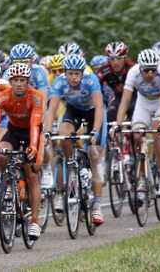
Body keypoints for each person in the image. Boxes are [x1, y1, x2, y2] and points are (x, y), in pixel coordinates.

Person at [43, 54, 107, 226]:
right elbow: (53, 108)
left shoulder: (91, 80)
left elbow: (100, 106)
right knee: (63, 134)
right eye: (70, 73)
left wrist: (94, 131)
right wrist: (48, 131)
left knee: (94, 157)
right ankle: (72, 163)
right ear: (65, 73)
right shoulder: (59, 82)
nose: (73, 77)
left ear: (82, 73)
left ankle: (97, 207)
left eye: (76, 74)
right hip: (74, 110)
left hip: (94, 112)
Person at [113, 49, 160, 199]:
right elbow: (125, 101)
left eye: (154, 70)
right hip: (144, 102)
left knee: (157, 133)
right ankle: (140, 179)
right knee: (137, 136)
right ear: (140, 68)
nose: (150, 74)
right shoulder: (133, 73)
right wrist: (118, 124)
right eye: (147, 70)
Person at [0, 63, 45, 239]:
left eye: (22, 80)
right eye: (15, 80)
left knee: (32, 175)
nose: (19, 84)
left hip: (32, 132)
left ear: (28, 81)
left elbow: (35, 124)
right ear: (10, 81)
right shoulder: (2, 97)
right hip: (13, 131)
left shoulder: (36, 97)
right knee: (0, 153)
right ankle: (6, 183)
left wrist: (34, 146)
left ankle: (35, 223)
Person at [97, 41, 137, 123]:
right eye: (112, 59)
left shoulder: (134, 69)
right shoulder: (104, 71)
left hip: (135, 98)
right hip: (117, 97)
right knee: (109, 116)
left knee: (134, 117)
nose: (115, 63)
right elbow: (96, 90)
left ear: (125, 57)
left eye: (119, 58)